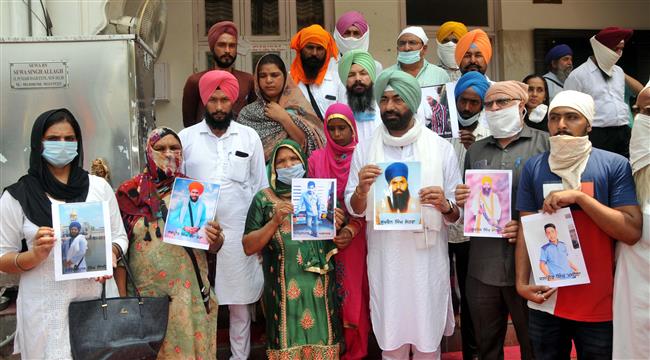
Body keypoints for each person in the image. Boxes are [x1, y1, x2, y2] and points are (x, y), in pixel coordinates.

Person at [515, 90, 642, 360]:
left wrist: (579, 197)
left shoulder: (614, 165)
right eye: (555, 118)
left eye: (571, 117)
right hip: (547, 297)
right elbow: (527, 228)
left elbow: (631, 231)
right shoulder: (534, 167)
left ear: (589, 124)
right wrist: (521, 282)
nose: (561, 125)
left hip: (599, 299)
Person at [345, 69, 461, 359]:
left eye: (397, 99)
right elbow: (353, 206)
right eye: (383, 100)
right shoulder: (365, 149)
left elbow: (458, 213)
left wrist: (445, 205)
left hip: (427, 259)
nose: (389, 106)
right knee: (391, 341)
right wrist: (361, 190)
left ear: (411, 101)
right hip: (387, 260)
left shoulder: (440, 148)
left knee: (427, 343)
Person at [0, 108, 128, 358]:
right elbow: (3, 258)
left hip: (96, 305)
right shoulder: (17, 196)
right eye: (53, 139)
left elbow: (120, 237)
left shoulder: (98, 188)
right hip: (45, 312)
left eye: (69, 139)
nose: (63, 145)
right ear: (38, 144)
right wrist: (34, 256)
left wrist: (109, 254)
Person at [179, 70, 269, 360]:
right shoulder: (186, 138)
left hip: (239, 234)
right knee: (198, 301)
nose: (219, 106)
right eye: (213, 100)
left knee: (239, 305)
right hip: (195, 233)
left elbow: (261, 189)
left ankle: (238, 357)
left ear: (233, 102)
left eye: (225, 100)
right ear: (205, 102)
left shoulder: (249, 137)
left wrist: (259, 238)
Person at [456, 80, 548, 360]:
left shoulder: (545, 144)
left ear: (522, 106)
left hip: (531, 266)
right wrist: (462, 198)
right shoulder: (476, 151)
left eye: (502, 102)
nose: (494, 108)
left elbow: (557, 202)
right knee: (487, 346)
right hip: (482, 266)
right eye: (489, 104)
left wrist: (526, 226)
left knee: (535, 345)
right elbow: (471, 206)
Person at [115, 127, 222, 359]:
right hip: (148, 299)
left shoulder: (195, 191)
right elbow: (119, 252)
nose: (169, 153)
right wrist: (123, 303)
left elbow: (213, 246)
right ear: (148, 151)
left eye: (175, 148)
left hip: (189, 296)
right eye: (160, 148)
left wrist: (216, 238)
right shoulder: (129, 193)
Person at [242, 140, 347, 359]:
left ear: (303, 162)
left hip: (320, 292)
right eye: (281, 161)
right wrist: (274, 222)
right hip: (282, 295)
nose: (288, 165)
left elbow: (337, 245)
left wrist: (337, 225)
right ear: (272, 167)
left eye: (293, 159)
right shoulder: (264, 199)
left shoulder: (321, 194)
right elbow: (248, 246)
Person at [308, 103, 370, 360]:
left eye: (341, 128)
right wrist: (327, 221)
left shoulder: (363, 158)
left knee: (354, 298)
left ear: (352, 129)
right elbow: (310, 201)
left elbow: (371, 201)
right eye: (331, 128)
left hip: (357, 241)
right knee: (327, 298)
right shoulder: (316, 159)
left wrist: (353, 228)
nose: (336, 134)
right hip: (324, 240)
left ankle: (358, 352)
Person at [446, 71, 491, 360]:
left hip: (471, 228)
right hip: (442, 221)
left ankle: (472, 352)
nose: (467, 108)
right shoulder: (440, 129)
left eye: (475, 103)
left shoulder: (488, 133)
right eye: (463, 101)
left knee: (470, 291)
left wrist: (473, 147)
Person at [613, 82, 650, 359]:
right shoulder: (623, 170)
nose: (640, 120)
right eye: (638, 112)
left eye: (648, 112)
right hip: (635, 272)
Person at [237, 53, 325, 161]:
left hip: (296, 174)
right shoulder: (247, 114)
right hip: (259, 175)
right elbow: (241, 152)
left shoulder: (299, 108)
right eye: (263, 76)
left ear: (285, 77)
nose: (269, 80)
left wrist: (284, 118)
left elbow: (306, 144)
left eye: (274, 75)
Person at [564, 27, 634, 158]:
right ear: (602, 49)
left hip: (623, 131)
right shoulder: (578, 75)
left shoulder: (618, 71)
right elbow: (569, 109)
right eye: (615, 49)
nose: (619, 53)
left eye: (621, 49)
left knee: (625, 170)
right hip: (597, 134)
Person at [182, 21, 256, 127]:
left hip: (240, 141)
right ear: (213, 48)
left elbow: (254, 117)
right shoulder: (195, 81)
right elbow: (189, 123)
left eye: (232, 46)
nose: (227, 50)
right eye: (222, 45)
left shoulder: (248, 80)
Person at [290, 24, 342, 120]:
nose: (314, 53)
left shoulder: (337, 80)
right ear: (301, 49)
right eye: (309, 47)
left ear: (326, 52)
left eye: (319, 48)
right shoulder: (288, 80)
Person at [337, 50, 382, 143]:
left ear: (372, 77)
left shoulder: (384, 112)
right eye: (351, 75)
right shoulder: (339, 115)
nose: (358, 79)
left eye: (363, 73)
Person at [386, 26, 450, 87]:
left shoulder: (439, 74)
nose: (406, 48)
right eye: (402, 43)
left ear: (424, 48)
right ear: (397, 48)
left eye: (412, 42)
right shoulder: (387, 75)